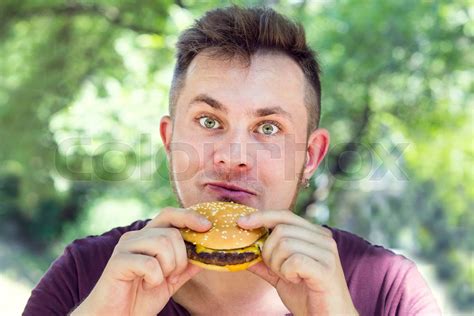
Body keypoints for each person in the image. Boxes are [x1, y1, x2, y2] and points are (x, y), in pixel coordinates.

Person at [23, 5, 441, 316]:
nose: (234, 157)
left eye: (269, 128)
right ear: (170, 139)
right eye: (209, 120)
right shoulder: (88, 274)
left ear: (310, 155)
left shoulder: (388, 289)